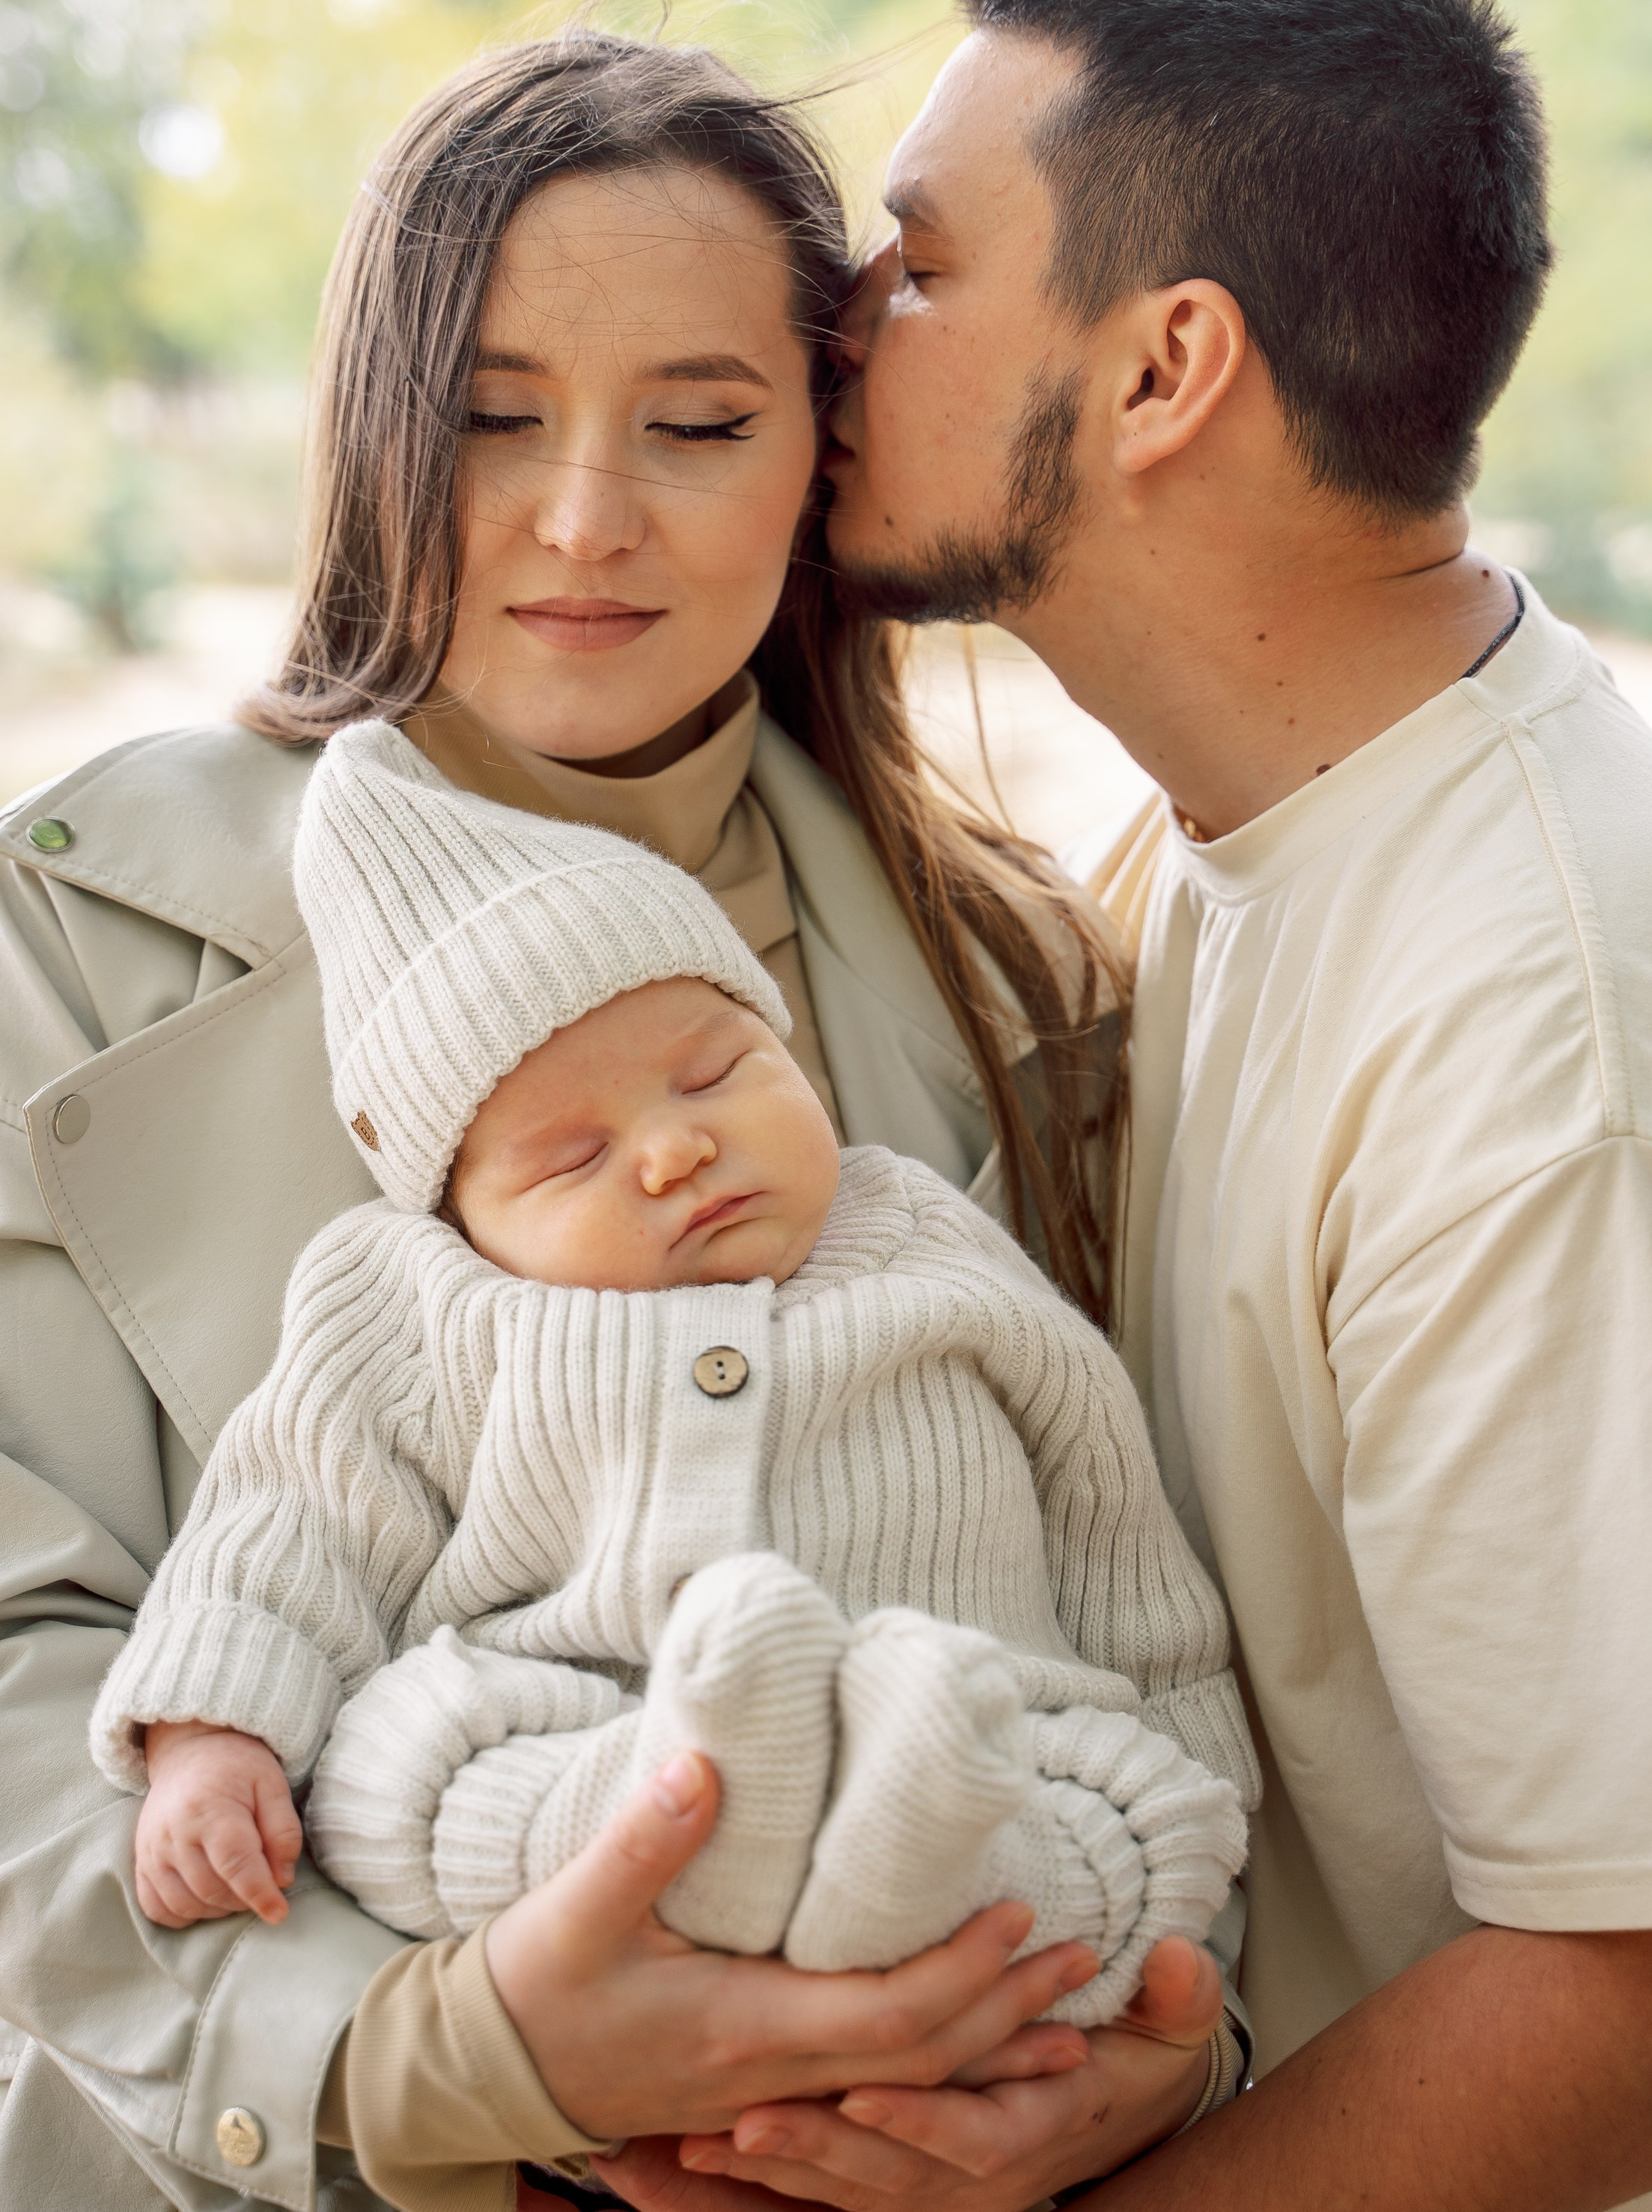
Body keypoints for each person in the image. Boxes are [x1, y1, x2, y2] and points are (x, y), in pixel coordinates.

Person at [0, 28, 1234, 2212]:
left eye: (695, 422)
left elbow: (1149, 1611)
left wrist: (1157, 2035)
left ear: (820, 457)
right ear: (372, 438)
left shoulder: (1026, 977)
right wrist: (409, 2054)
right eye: (488, 420)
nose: (582, 518)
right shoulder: (62, 935)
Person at [719, 0, 1652, 2212]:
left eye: (916, 262)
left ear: (1167, 365)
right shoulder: (1248, 828)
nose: (837, 326)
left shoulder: (1540, 1033)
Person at [94, 725, 1252, 2059]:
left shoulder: (924, 1239)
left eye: (715, 1073)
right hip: (583, 1728)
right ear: (460, 1217)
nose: (674, 1148)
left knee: (1104, 1817)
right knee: (410, 1769)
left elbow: (1117, 1536)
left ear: (791, 1057)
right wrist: (208, 1740)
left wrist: (1185, 1767)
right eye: (569, 1157)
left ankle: (910, 1847)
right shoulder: (411, 1301)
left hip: (970, 1727)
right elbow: (287, 1522)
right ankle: (731, 1816)